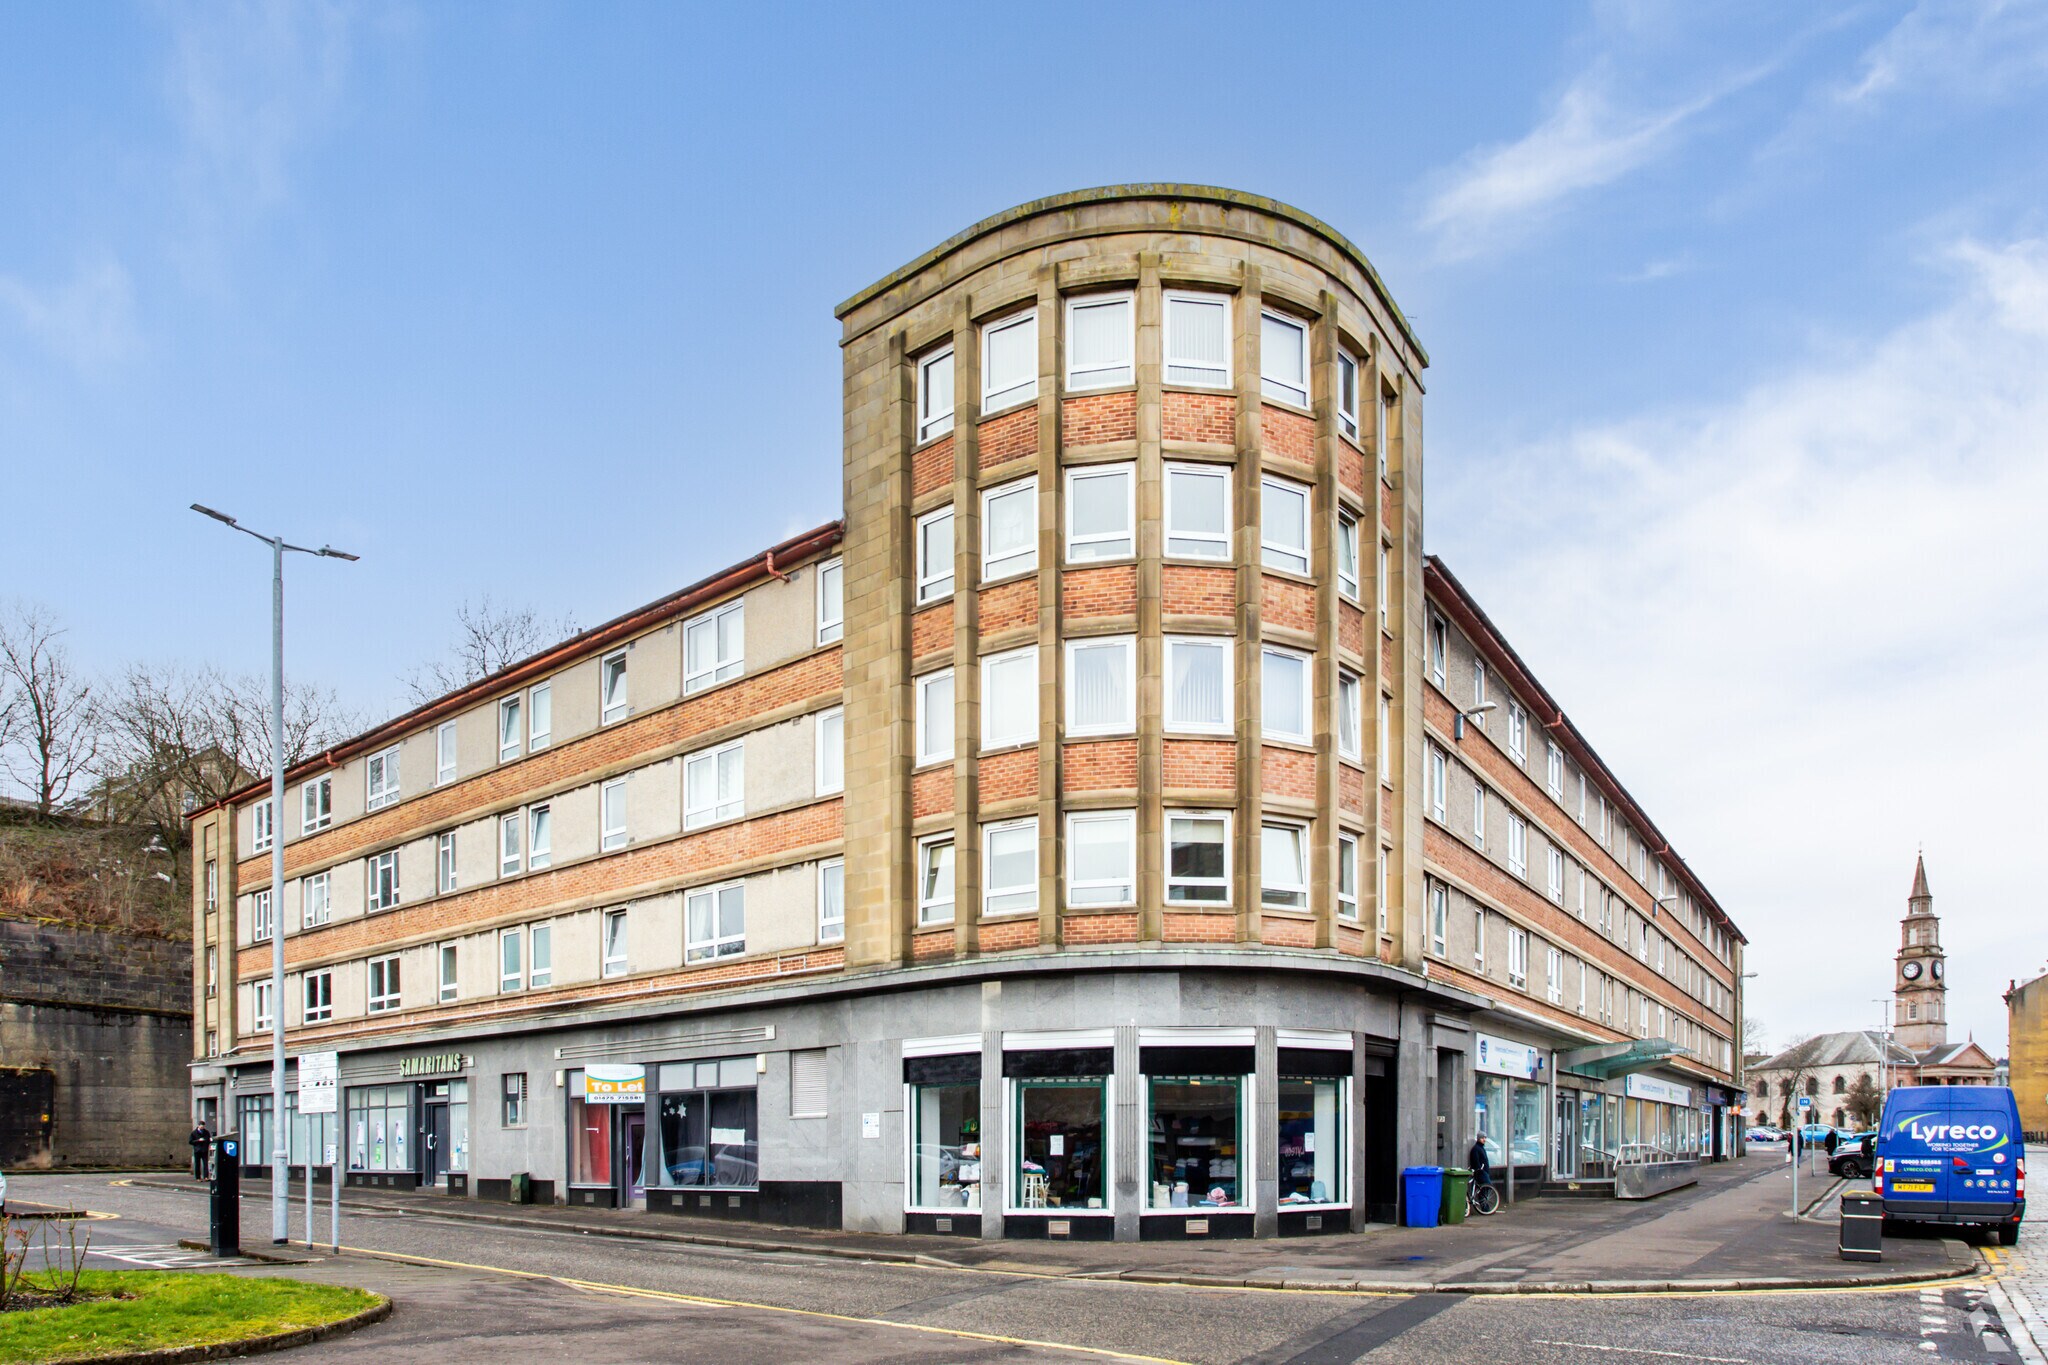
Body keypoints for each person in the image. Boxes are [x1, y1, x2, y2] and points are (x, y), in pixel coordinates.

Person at [1468, 1133, 1493, 1197]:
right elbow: (1475, 1161)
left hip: (1484, 1172)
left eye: (1485, 1138)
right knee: (1487, 1187)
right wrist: (1479, 1169)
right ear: (1478, 1139)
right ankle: (1484, 1206)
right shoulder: (1476, 1149)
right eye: (1482, 1138)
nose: (1484, 1139)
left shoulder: (1481, 1148)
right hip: (1481, 1172)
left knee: (1484, 1189)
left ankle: (1484, 1205)